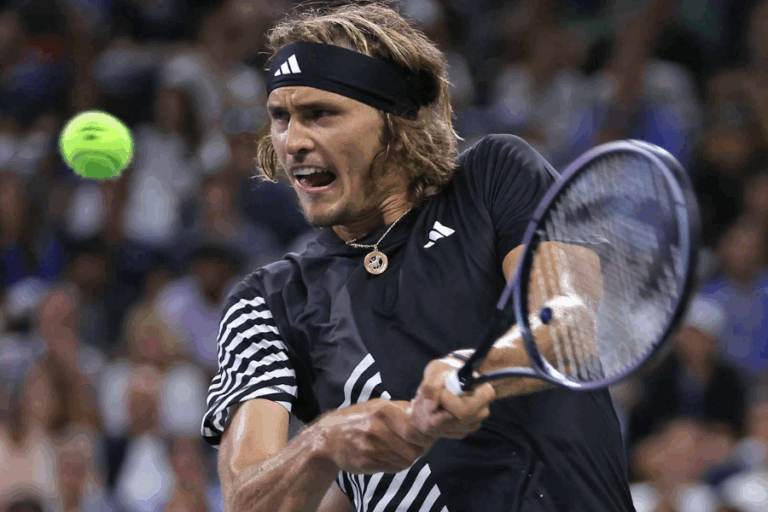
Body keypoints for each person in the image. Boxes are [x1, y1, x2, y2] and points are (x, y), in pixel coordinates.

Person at [201, 3, 635, 512]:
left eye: (321, 114)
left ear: (394, 123)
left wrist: (476, 371)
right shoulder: (267, 303)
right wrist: (322, 443)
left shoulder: (494, 178)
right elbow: (246, 497)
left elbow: (567, 320)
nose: (292, 141)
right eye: (281, 117)